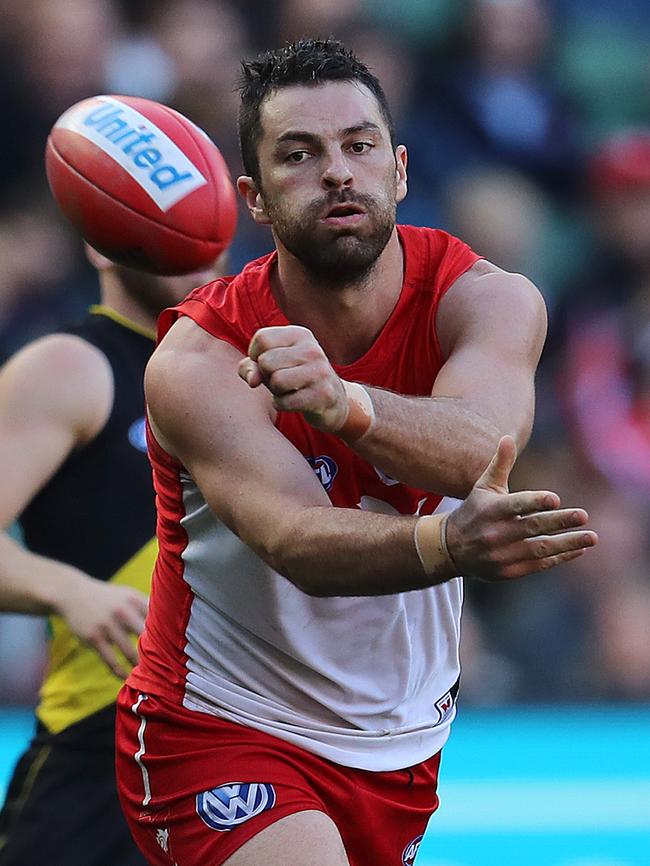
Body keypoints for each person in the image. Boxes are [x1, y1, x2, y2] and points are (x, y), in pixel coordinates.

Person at [115, 38, 597, 866]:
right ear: (253, 199)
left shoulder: (488, 298)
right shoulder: (201, 358)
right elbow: (297, 543)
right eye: (298, 156)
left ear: (400, 170)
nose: (337, 172)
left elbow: (483, 447)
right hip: (221, 725)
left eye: (358, 146)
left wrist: (350, 406)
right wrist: (445, 544)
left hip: (399, 745)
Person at [0, 246, 225, 866]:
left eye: (204, 228)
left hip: (246, 742)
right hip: (105, 736)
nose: (193, 249)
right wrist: (69, 591)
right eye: (164, 228)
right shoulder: (71, 365)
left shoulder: (246, 365)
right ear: (101, 240)